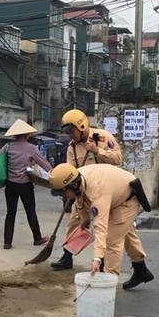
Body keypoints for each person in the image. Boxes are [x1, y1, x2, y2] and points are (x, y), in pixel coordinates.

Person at [51, 108, 131, 272]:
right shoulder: (72, 147)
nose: (70, 135)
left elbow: (118, 159)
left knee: (119, 230)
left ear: (80, 127)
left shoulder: (102, 138)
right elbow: (69, 169)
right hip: (81, 192)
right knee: (75, 223)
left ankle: (136, 265)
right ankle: (67, 256)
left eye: (71, 131)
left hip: (105, 192)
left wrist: (97, 151)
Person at [48, 162, 154, 286]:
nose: (63, 196)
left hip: (127, 201)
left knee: (112, 240)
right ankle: (141, 271)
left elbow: (100, 227)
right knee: (123, 232)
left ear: (73, 185)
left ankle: (108, 283)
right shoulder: (78, 177)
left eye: (63, 193)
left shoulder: (97, 192)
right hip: (115, 194)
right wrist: (84, 217)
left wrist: (97, 259)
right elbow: (79, 197)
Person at [0, 119, 50, 250]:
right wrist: (55, 173)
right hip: (25, 185)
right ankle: (37, 238)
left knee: (10, 213)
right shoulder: (32, 148)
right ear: (27, 134)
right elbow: (45, 165)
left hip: (10, 184)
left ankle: (7, 242)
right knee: (30, 212)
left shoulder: (7, 147)